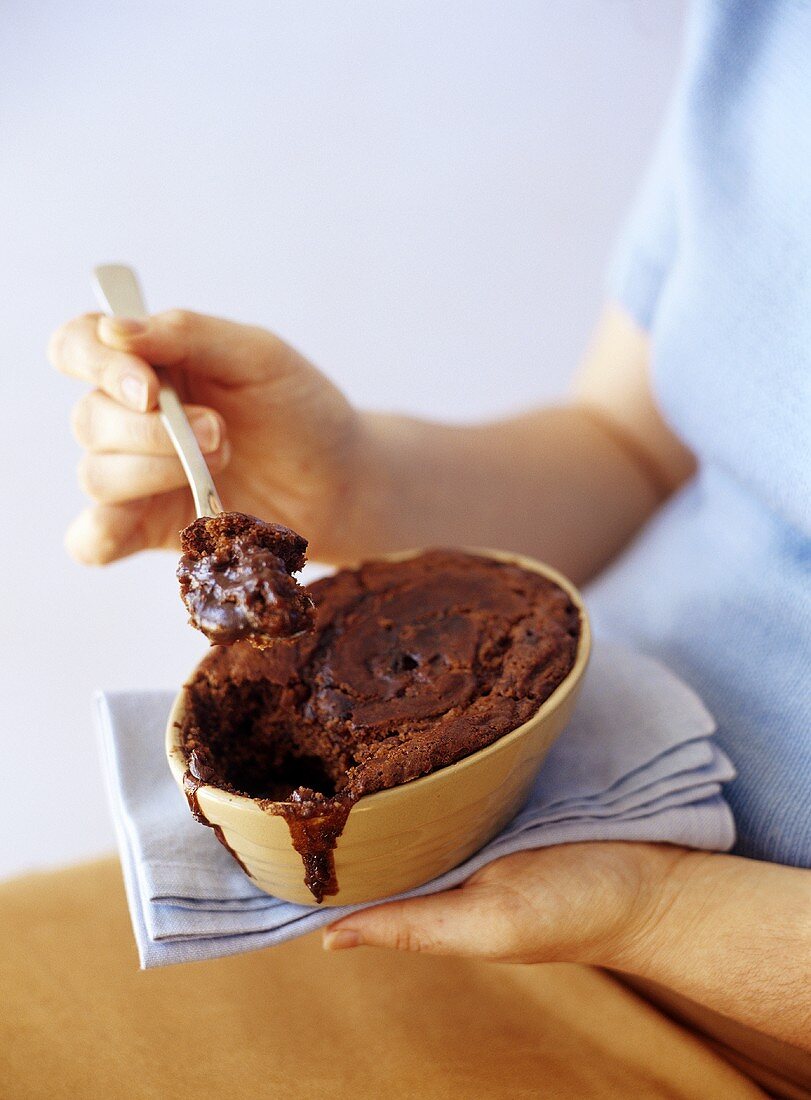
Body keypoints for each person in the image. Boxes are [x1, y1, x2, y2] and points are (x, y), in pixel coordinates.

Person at [49, 0, 810, 1081]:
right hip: (481, 846)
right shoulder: (767, 29)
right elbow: (628, 446)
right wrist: (355, 480)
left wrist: (654, 905)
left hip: (727, 1005)